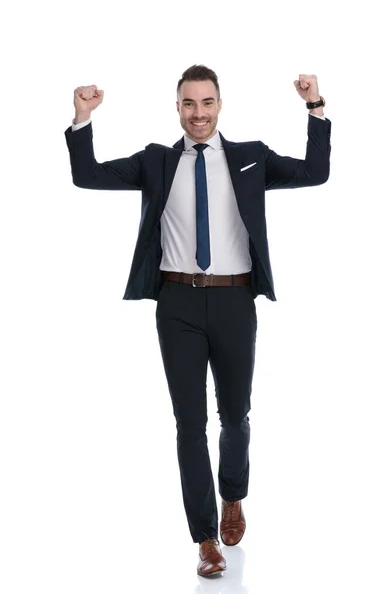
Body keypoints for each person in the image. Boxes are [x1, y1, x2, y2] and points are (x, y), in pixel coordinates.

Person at [64, 65, 331, 578]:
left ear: (219, 105)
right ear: (178, 108)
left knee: (235, 416)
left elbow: (315, 172)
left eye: (207, 103)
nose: (199, 113)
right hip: (178, 304)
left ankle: (234, 496)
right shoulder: (156, 162)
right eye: (189, 104)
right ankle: (205, 536)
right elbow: (87, 175)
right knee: (190, 424)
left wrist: (314, 108)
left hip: (234, 302)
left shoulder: (251, 157)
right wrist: (82, 119)